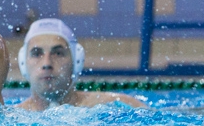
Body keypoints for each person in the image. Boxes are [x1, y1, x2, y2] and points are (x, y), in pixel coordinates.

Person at [15, 18, 146, 110]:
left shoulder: (119, 105)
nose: (47, 63)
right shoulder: (12, 117)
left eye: (58, 53)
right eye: (37, 54)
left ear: (77, 60)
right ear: (23, 62)